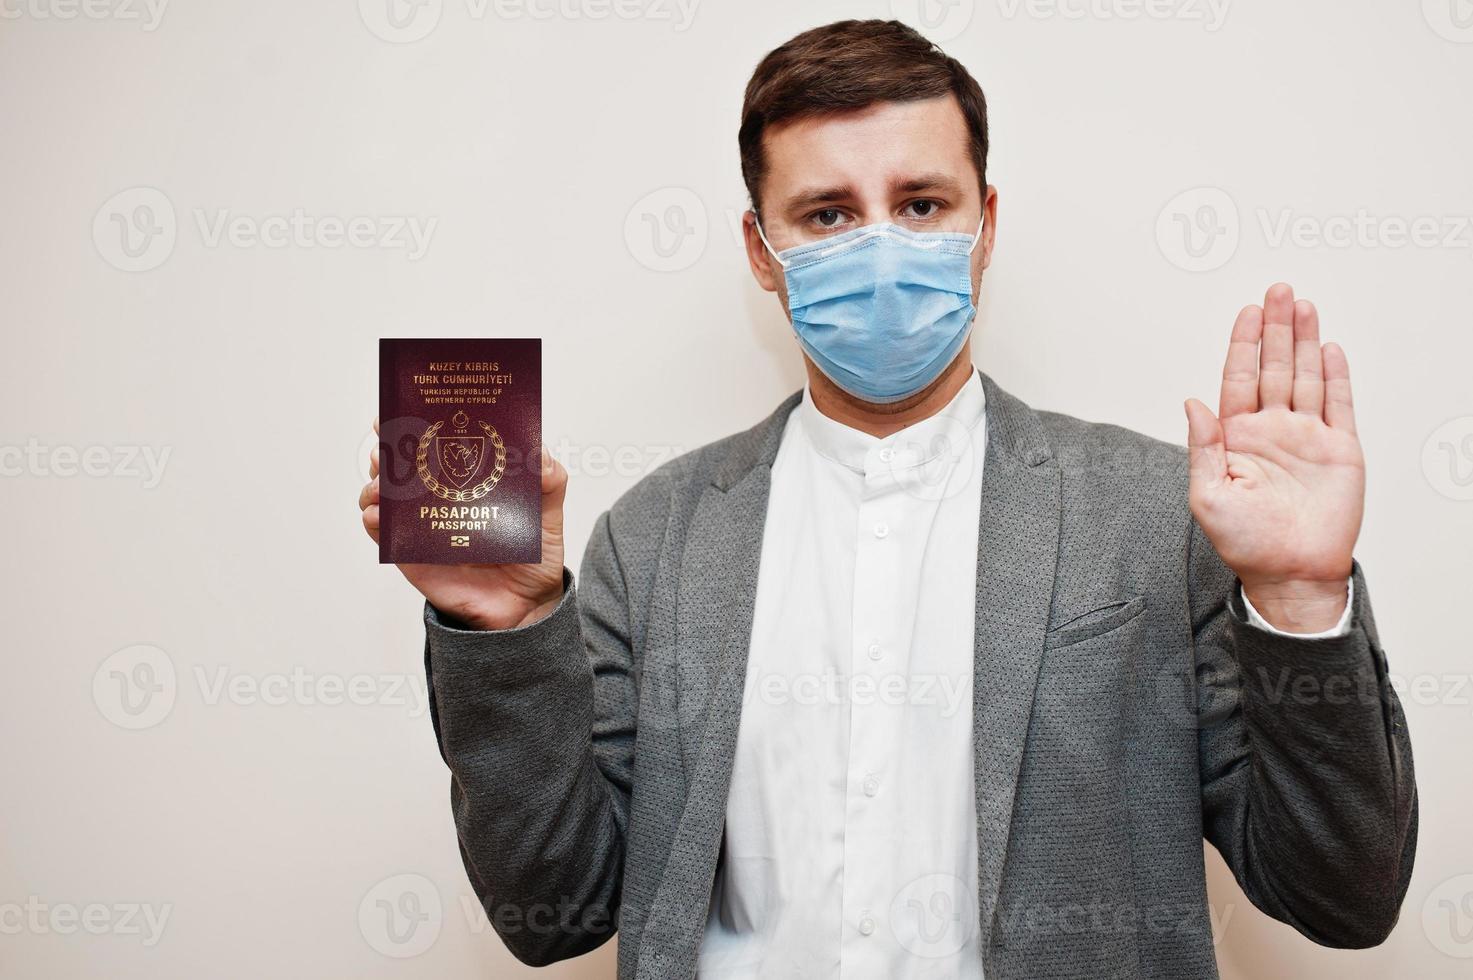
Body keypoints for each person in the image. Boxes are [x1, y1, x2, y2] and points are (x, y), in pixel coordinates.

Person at [357, 19, 1416, 980]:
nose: (879, 246)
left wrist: (1299, 600)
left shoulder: (1153, 514)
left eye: (920, 204)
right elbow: (556, 911)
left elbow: (1343, 895)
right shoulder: (655, 536)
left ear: (985, 223)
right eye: (826, 212)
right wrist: (502, 628)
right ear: (760, 253)